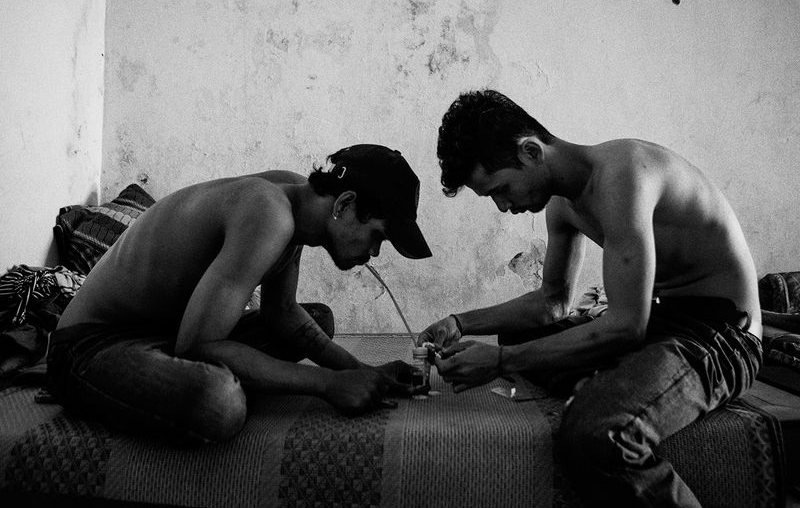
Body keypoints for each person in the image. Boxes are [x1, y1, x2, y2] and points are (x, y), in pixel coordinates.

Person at [418, 90, 762, 507]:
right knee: (516, 338)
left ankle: (610, 390)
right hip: (662, 322)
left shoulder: (625, 174)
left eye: (500, 189)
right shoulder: (561, 205)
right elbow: (552, 304)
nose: (503, 205)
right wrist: (460, 322)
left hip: (721, 334)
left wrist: (500, 364)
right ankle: (612, 382)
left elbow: (626, 327)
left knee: (595, 435)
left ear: (530, 151)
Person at [47, 144, 432, 443]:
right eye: (378, 235)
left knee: (318, 320)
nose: (375, 253)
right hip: (89, 347)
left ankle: (167, 380)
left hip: (165, 335)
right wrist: (327, 384)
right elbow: (196, 345)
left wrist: (362, 371)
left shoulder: (295, 196)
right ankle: (96, 389)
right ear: (345, 204)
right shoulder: (269, 212)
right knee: (220, 404)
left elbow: (280, 312)